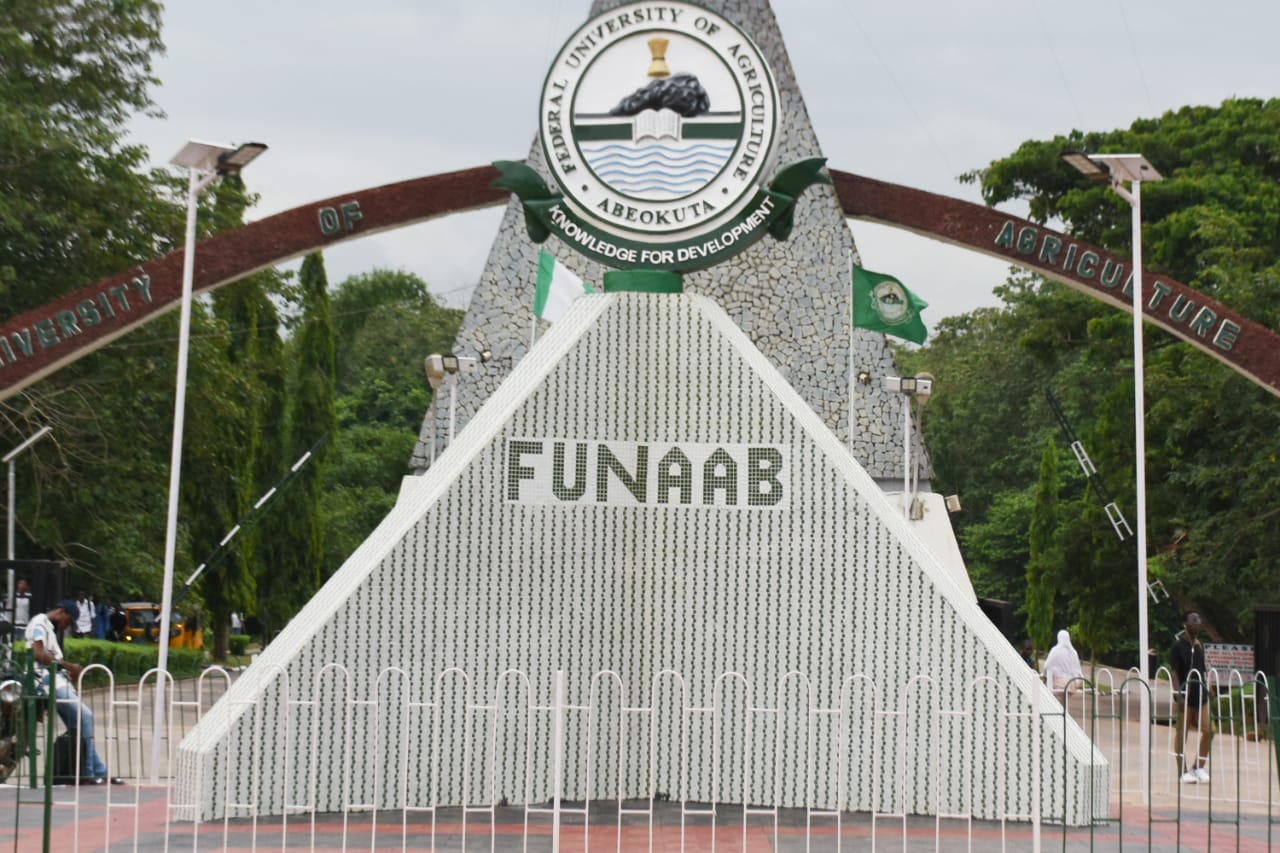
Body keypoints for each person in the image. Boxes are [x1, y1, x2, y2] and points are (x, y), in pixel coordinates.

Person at [25, 599, 123, 784]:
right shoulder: (39, 623)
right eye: (67, 622)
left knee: (79, 726)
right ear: (61, 612)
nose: (65, 627)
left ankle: (100, 771)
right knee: (84, 717)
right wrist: (69, 666)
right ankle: (87, 773)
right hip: (45, 678)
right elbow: (37, 653)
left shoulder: (49, 628)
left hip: (56, 678)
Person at [1170, 610, 1214, 784]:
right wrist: (1177, 693)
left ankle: (1198, 766)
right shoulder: (1178, 646)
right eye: (1193, 620)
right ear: (1185, 624)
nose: (1197, 623)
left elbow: (1203, 669)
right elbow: (1174, 671)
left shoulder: (1199, 645)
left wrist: (1209, 687)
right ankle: (1182, 771)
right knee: (1182, 733)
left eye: (1198, 620)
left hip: (1200, 694)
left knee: (1209, 730)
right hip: (1185, 694)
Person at [1042, 629, 1083, 703]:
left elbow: (1047, 665)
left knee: (1056, 704)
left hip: (1057, 683)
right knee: (1065, 704)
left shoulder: (1055, 650)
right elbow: (1076, 668)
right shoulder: (1073, 652)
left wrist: (1044, 674)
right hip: (1070, 684)